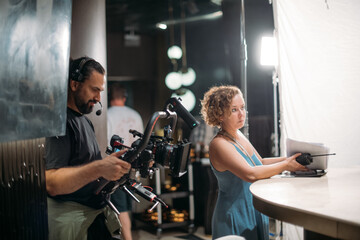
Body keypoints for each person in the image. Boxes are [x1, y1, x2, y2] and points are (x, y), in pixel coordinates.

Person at [200, 85, 307, 240]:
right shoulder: (219, 144)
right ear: (220, 115)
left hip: (254, 209)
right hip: (234, 215)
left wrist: (290, 158)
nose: (241, 114)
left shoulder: (238, 135)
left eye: (243, 107)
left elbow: (260, 162)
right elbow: (250, 174)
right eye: (234, 110)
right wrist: (286, 165)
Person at [45, 57, 131, 240]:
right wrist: (99, 167)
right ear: (74, 84)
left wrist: (117, 168)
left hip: (93, 215)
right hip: (71, 219)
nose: (98, 98)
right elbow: (52, 183)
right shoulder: (60, 123)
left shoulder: (85, 122)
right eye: (94, 90)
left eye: (100, 91)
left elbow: (89, 172)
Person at [107, 83, 144, 240]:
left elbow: (107, 143)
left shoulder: (107, 115)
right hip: (134, 166)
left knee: (120, 207)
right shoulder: (135, 115)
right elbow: (142, 142)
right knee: (126, 206)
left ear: (110, 98)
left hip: (117, 166)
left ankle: (127, 238)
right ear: (124, 97)